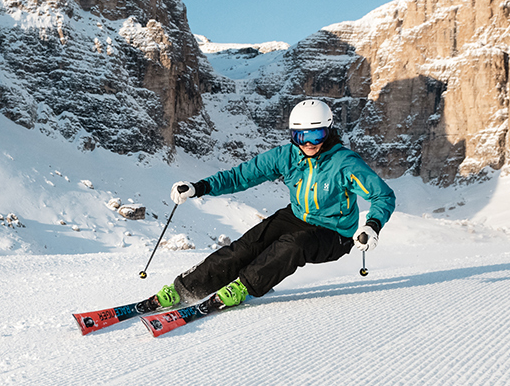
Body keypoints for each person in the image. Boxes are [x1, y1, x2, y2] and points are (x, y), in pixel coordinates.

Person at [153, 98, 395, 310]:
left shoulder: (344, 163)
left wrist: (372, 225)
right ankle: (185, 289)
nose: (308, 143)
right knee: (247, 246)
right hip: (297, 216)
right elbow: (242, 175)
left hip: (335, 232)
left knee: (293, 245)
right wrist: (200, 187)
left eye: (316, 135)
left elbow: (382, 195)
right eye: (301, 136)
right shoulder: (287, 156)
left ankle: (243, 287)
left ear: (329, 131)